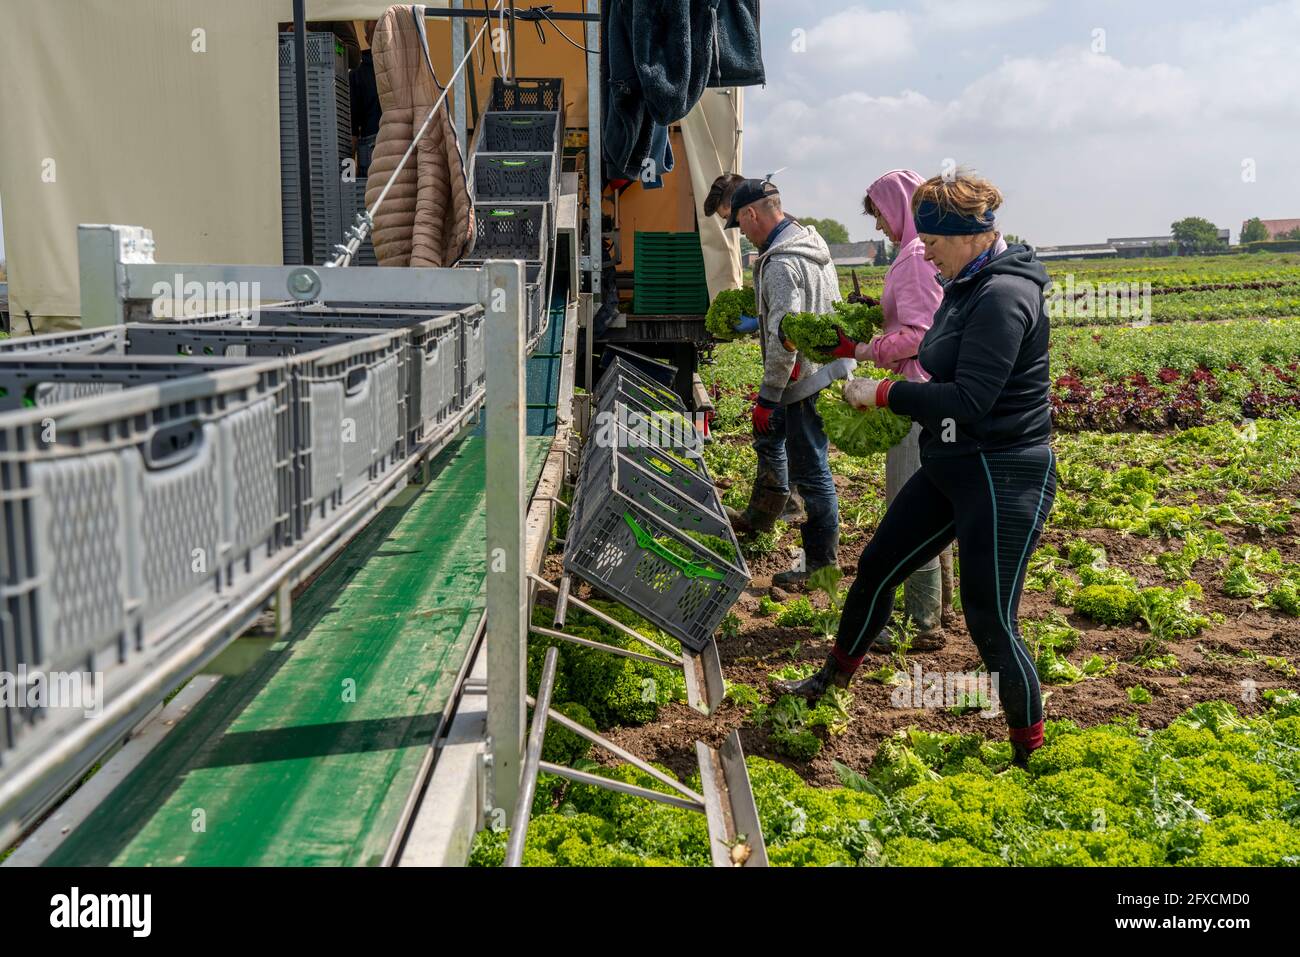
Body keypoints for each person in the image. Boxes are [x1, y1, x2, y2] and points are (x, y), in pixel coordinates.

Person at [774, 170, 1057, 767]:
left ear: (973, 235)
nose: (922, 248)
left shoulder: (1004, 296)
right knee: (876, 567)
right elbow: (927, 350)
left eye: (933, 238)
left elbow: (969, 400)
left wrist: (883, 395)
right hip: (952, 463)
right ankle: (829, 684)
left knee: (990, 620)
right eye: (920, 235)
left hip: (1002, 473)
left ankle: (1029, 755)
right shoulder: (961, 282)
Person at [828, 170, 951, 649]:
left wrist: (864, 347)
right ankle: (938, 609)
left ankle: (922, 625)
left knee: (908, 508)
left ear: (898, 205)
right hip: (927, 393)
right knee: (936, 502)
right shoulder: (922, 252)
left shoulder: (918, 258)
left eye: (879, 213)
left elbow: (921, 336)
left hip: (915, 397)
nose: (878, 225)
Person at [724, 179, 841, 589]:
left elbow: (784, 338)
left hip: (803, 380)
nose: (743, 234)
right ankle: (761, 517)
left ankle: (820, 567)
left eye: (740, 224)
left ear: (752, 214)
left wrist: (768, 397)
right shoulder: (812, 244)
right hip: (827, 369)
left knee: (813, 476)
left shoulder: (778, 263)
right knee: (780, 447)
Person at [705, 172, 808, 525]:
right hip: (799, 363)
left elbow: (786, 327)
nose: (737, 231)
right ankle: (777, 507)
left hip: (797, 366)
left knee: (782, 437)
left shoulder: (781, 252)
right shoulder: (785, 237)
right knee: (783, 438)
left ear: (746, 209)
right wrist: (760, 316)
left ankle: (778, 511)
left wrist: (769, 394)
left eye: (733, 219)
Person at [350, 22, 381, 177]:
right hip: (373, 146)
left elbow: (353, 125)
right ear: (367, 38)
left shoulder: (358, 69)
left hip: (373, 147)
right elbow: (353, 124)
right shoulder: (359, 69)